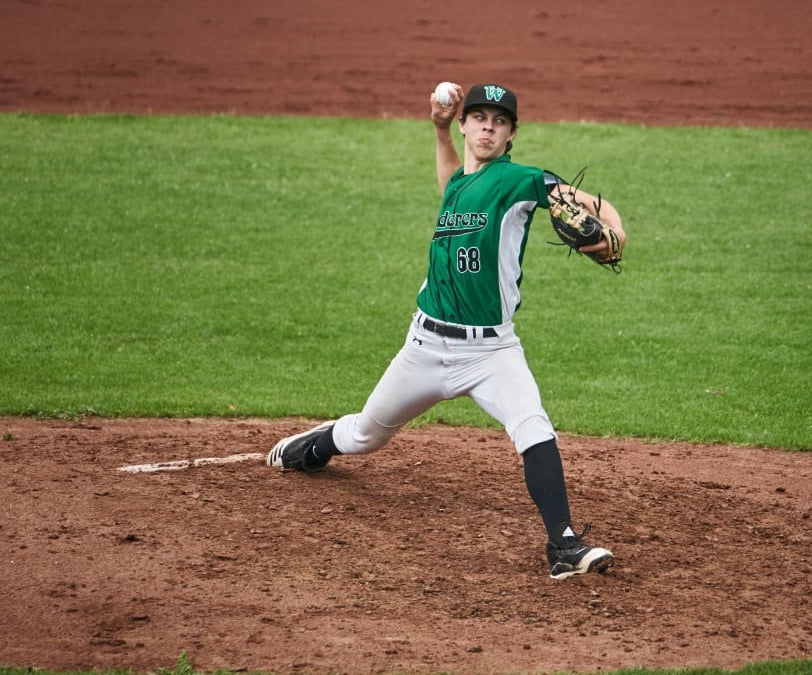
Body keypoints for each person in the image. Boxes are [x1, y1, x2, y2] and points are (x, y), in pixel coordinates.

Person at [267, 82, 626, 580]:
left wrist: (617, 230)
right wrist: (438, 130)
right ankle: (318, 446)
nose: (488, 128)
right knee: (367, 434)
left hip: (492, 353)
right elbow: (448, 186)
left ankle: (563, 544)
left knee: (533, 427)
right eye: (478, 118)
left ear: (511, 134)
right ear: (464, 125)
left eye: (499, 122)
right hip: (425, 347)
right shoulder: (460, 183)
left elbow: (590, 203)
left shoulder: (519, 180)